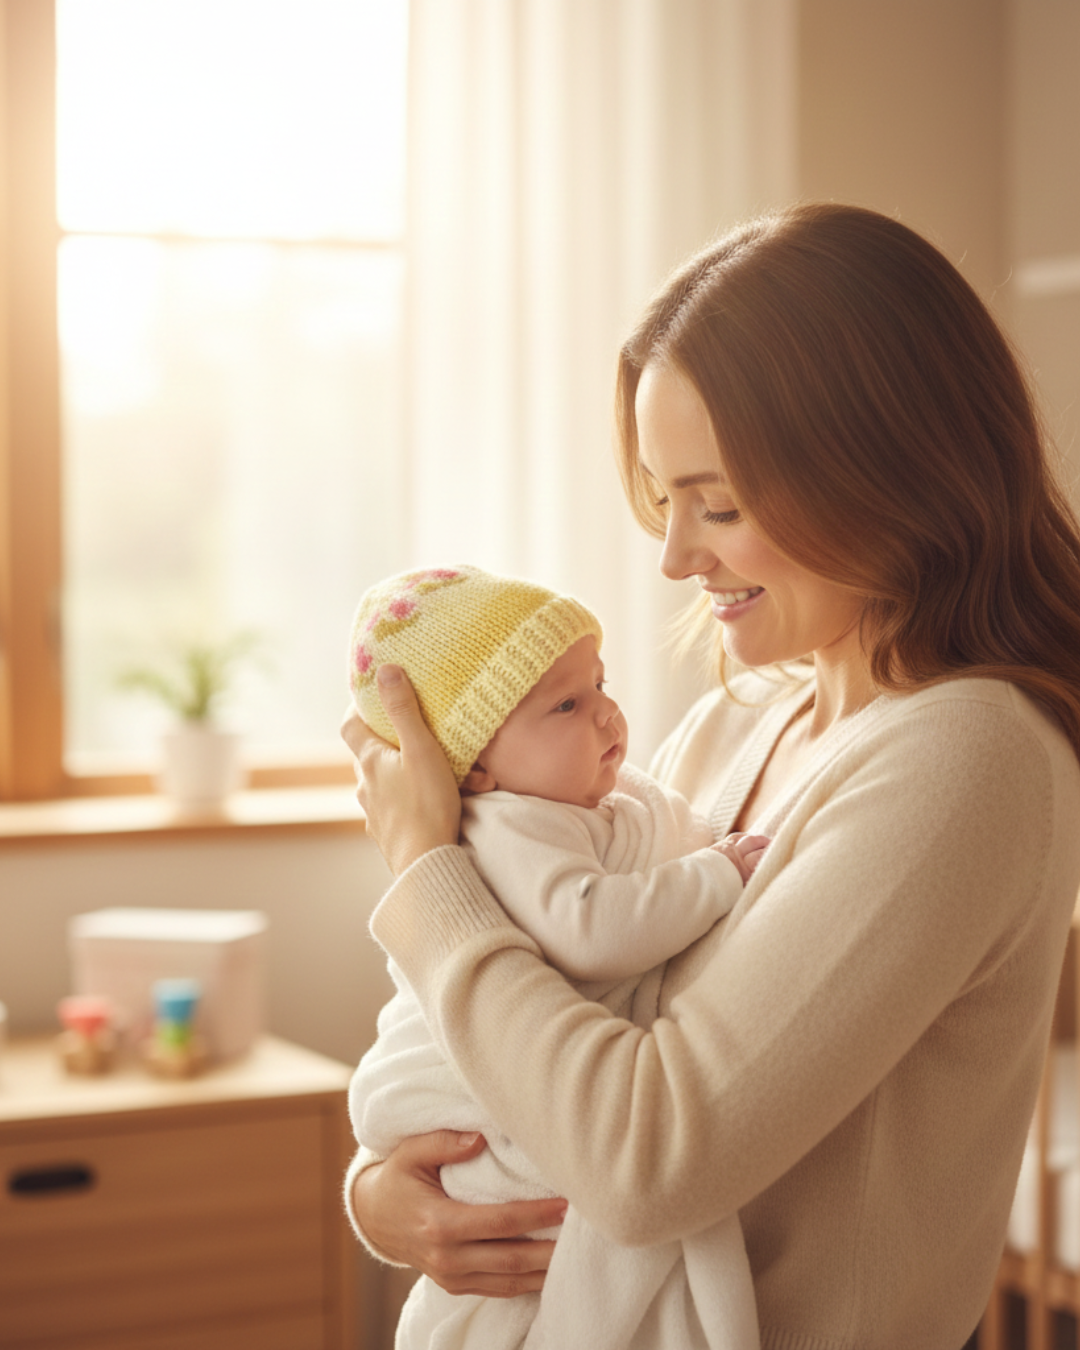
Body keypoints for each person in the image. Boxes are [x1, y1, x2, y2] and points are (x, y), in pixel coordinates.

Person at [341, 203, 1080, 1349]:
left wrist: (428, 865)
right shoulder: (734, 726)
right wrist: (391, 1191)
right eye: (664, 496)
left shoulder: (967, 759)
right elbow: (520, 1032)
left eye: (719, 505)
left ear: (884, 473)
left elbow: (648, 1159)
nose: (678, 556)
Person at [345, 563, 767, 1349]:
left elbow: (663, 832)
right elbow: (591, 929)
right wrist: (720, 873)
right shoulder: (510, 826)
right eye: (568, 705)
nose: (608, 715)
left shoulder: (596, 798)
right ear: (474, 767)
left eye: (601, 684)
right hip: (486, 1112)